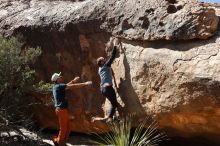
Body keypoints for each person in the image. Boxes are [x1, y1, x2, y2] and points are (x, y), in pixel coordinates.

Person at [51, 72, 92, 146]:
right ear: (57, 79)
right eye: (59, 77)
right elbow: (72, 86)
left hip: (61, 109)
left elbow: (67, 86)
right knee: (63, 128)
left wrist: (73, 80)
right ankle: (60, 143)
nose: (61, 77)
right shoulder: (58, 86)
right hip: (61, 109)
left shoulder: (56, 86)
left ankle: (60, 141)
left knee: (68, 126)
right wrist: (85, 84)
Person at [96, 37, 121, 122]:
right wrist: (115, 44)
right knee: (114, 103)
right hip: (108, 88)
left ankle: (112, 117)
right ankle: (109, 118)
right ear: (101, 62)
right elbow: (112, 56)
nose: (105, 59)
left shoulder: (100, 69)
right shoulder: (105, 66)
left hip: (103, 89)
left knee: (113, 102)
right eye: (103, 59)